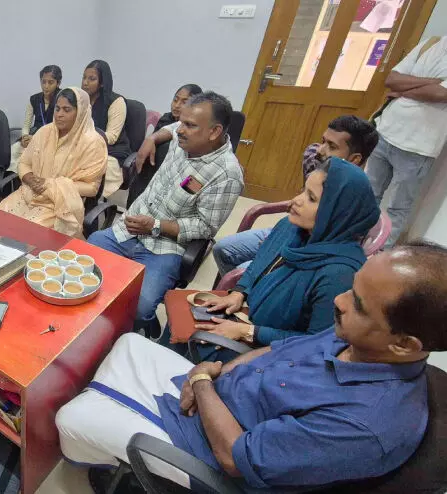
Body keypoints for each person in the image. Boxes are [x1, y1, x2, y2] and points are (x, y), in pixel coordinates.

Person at [56, 241, 447, 493]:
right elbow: (278, 349)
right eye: (352, 288)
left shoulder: (365, 427)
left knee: (70, 419)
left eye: (358, 303)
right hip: (218, 398)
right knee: (128, 343)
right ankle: (115, 430)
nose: (340, 301)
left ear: (404, 344)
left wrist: (202, 382)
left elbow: (235, 458)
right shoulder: (363, 338)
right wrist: (215, 373)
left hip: (210, 452)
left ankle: (109, 460)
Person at [169, 158, 380, 362]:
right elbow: (260, 263)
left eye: (311, 198)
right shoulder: (292, 228)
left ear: (337, 213)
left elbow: (317, 345)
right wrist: (239, 292)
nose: (296, 201)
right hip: (249, 318)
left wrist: (249, 332)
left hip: (274, 354)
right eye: (303, 191)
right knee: (180, 321)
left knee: (191, 346)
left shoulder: (339, 274)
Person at [87, 92, 243, 337]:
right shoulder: (185, 137)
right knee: (83, 269)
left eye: (189, 125)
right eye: (181, 122)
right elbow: (171, 128)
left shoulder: (227, 174)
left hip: (166, 246)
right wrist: (152, 138)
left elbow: (205, 227)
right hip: (129, 229)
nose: (180, 130)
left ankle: (142, 325)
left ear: (214, 132)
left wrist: (155, 225)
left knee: (140, 308)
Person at [213, 115, 379, 277]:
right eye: (323, 141)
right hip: (292, 229)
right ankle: (235, 290)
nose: (320, 150)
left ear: (354, 159)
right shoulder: (316, 161)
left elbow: (330, 245)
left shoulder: (356, 197)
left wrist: (279, 245)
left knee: (242, 271)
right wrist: (278, 238)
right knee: (223, 248)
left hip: (309, 250)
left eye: (332, 146)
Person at [367, 35, 447, 248]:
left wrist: (405, 89)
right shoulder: (431, 43)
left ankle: (379, 253)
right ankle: (353, 241)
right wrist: (433, 82)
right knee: (368, 194)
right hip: (385, 133)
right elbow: (391, 80)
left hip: (419, 147)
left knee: (398, 208)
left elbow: (440, 94)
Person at [0, 88, 107, 237]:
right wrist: (29, 178)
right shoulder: (44, 132)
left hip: (60, 204)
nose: (59, 114)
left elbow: (91, 188)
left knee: (25, 235)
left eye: (66, 110)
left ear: (80, 113)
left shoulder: (93, 143)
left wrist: (48, 185)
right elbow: (24, 163)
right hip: (29, 193)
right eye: (57, 108)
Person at [127, 84, 203, 208]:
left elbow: (195, 178)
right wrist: (150, 139)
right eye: (175, 99)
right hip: (153, 175)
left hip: (178, 182)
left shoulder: (197, 134)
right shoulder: (166, 119)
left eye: (184, 102)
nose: (177, 105)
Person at [82, 60, 131, 198]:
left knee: (88, 172)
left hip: (111, 151)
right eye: (84, 78)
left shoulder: (116, 102)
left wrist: (87, 137)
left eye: (91, 79)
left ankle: (88, 203)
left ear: (102, 83)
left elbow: (112, 136)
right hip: (85, 148)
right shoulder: (81, 100)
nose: (85, 83)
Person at [9, 65, 62, 173]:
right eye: (43, 82)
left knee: (37, 156)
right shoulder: (34, 99)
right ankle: (13, 176)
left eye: (50, 82)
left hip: (54, 138)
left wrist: (35, 139)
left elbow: (59, 128)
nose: (46, 86)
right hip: (34, 135)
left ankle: (29, 176)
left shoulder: (62, 100)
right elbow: (27, 123)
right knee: (15, 149)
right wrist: (25, 137)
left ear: (58, 83)